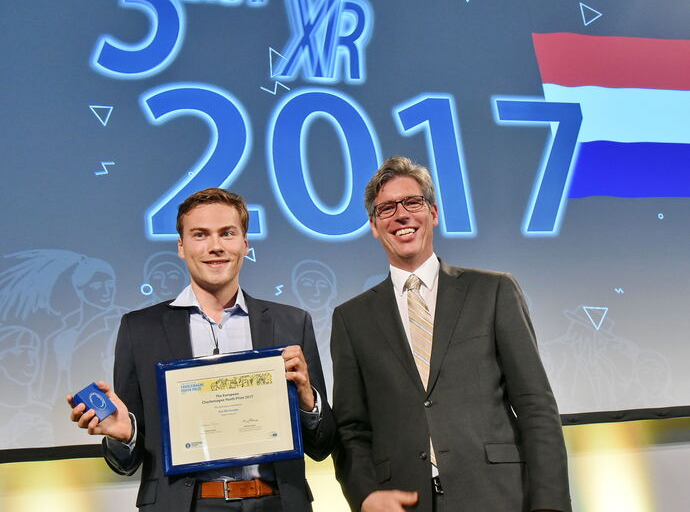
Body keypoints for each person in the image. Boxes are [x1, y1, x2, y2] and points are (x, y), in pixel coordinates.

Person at [67, 188, 335, 511]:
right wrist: (125, 436)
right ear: (181, 246)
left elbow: (322, 446)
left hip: (277, 503)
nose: (215, 246)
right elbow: (127, 462)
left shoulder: (292, 323)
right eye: (200, 235)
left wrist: (307, 401)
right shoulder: (139, 330)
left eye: (227, 233)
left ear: (245, 244)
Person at [330, 157, 571, 512]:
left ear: (433, 213)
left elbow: (536, 406)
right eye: (387, 209)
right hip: (406, 502)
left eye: (412, 202)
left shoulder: (493, 292)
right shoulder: (351, 319)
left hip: (499, 497)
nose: (401, 215)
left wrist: (549, 505)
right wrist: (365, 495)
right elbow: (351, 429)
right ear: (374, 226)